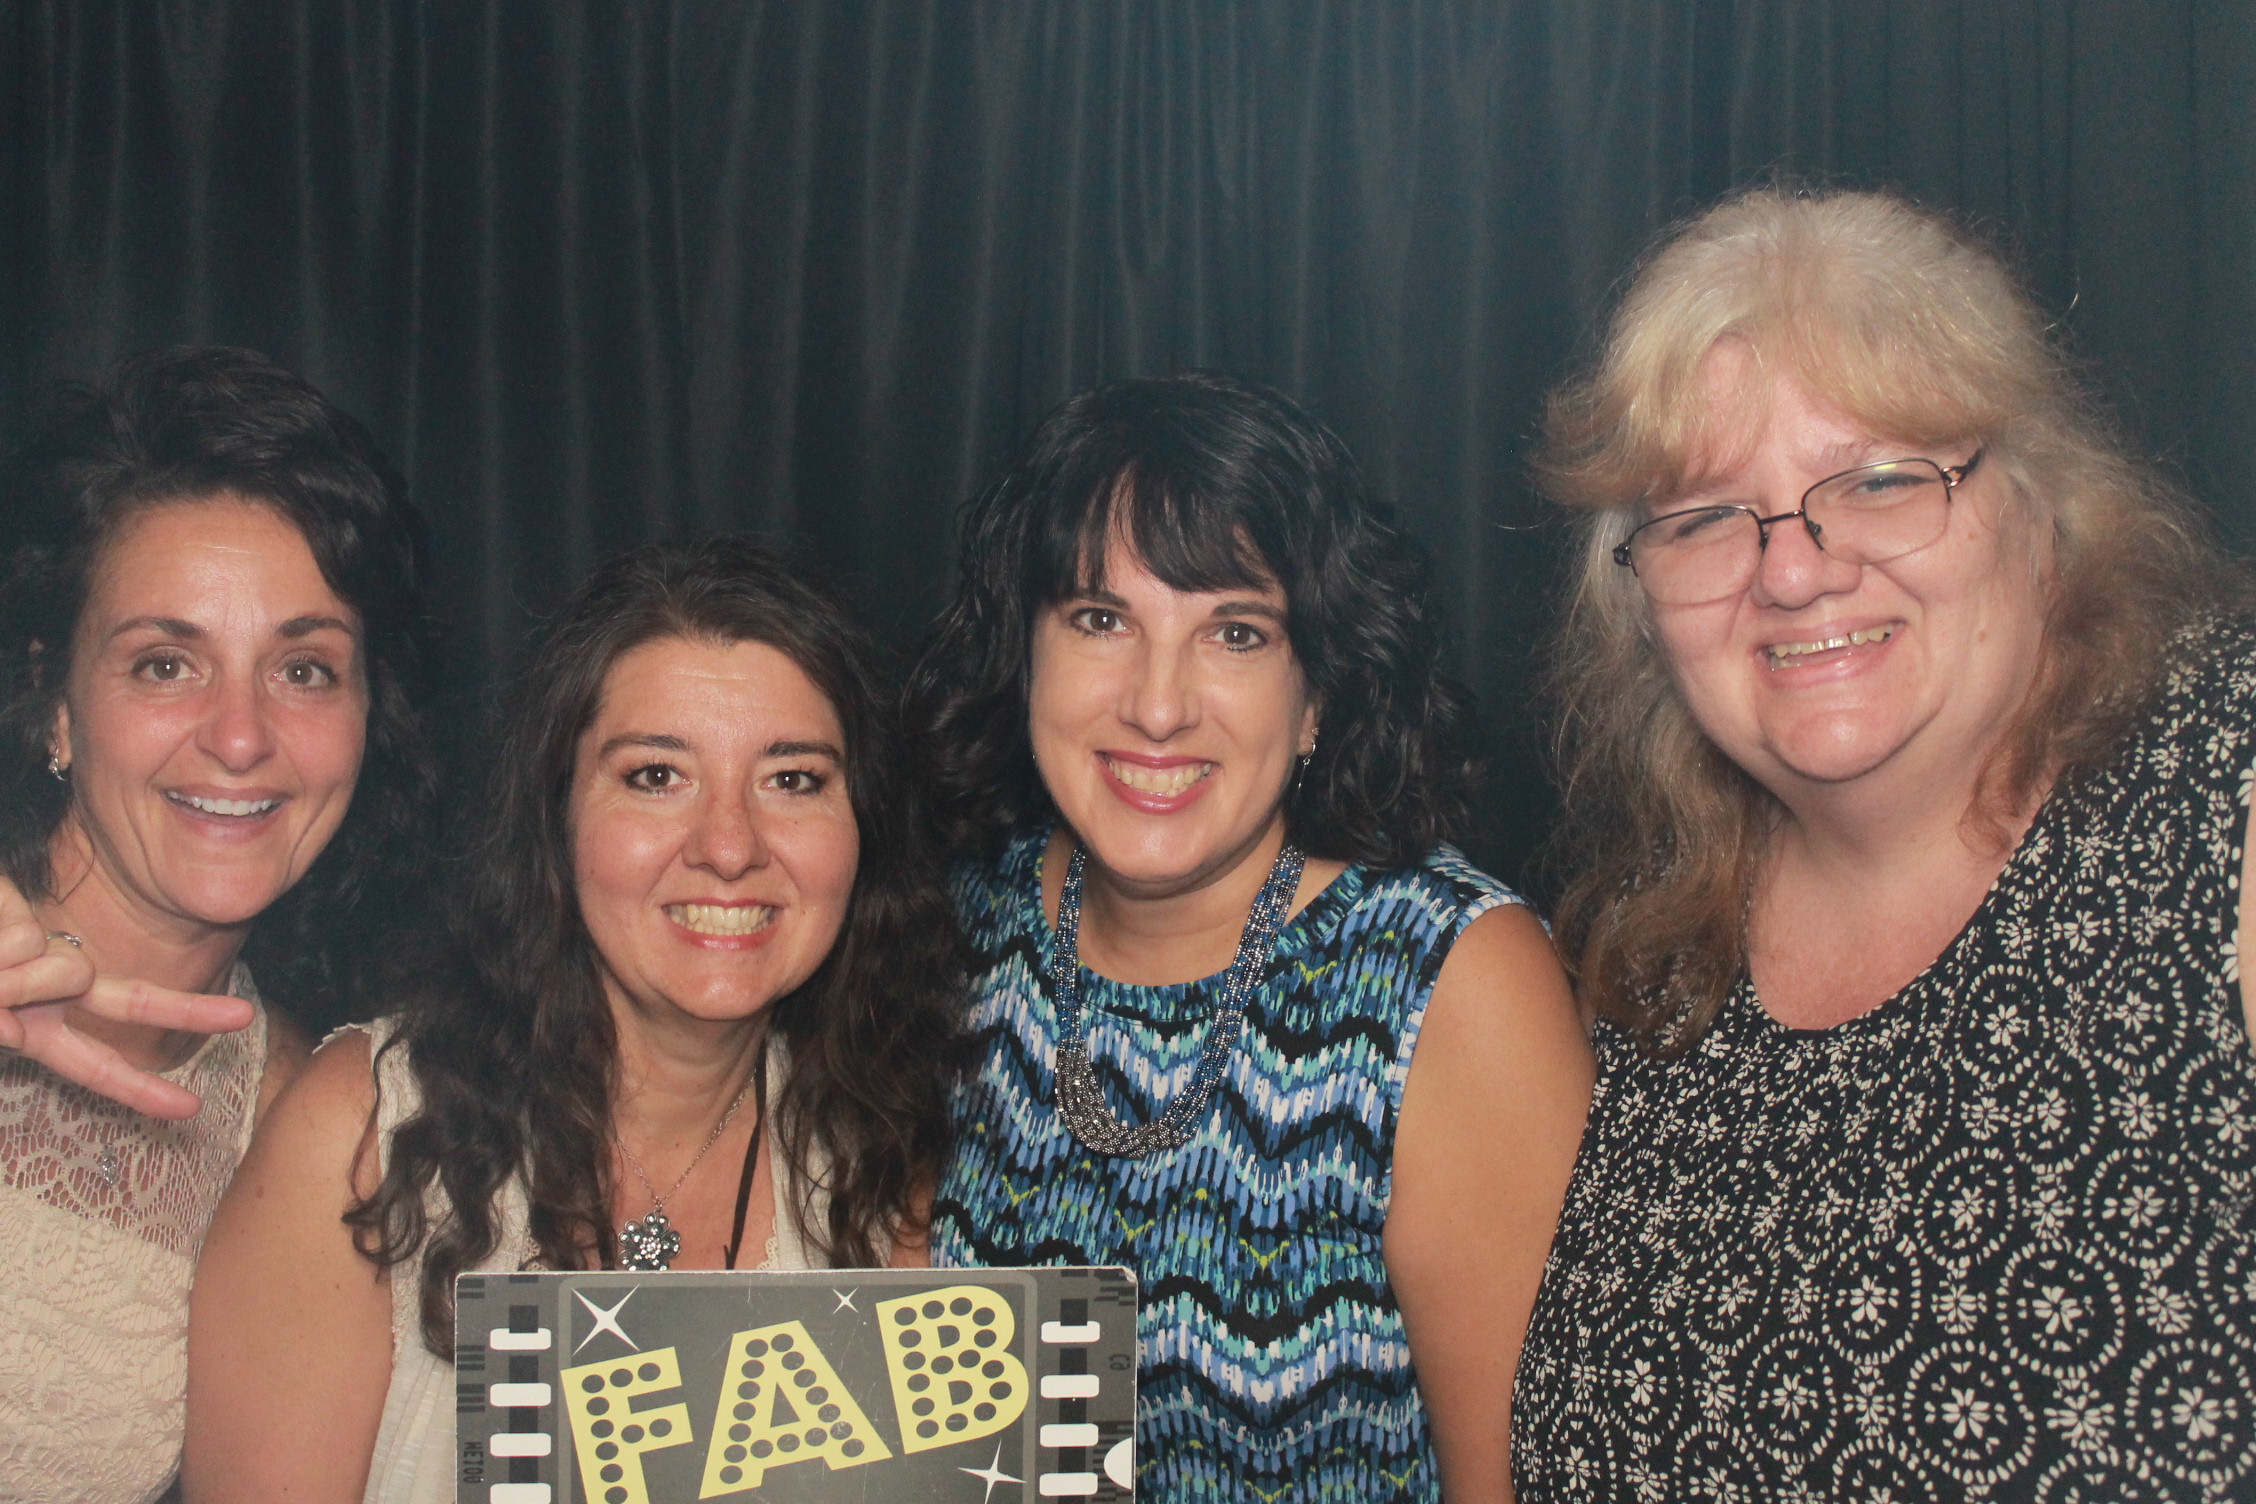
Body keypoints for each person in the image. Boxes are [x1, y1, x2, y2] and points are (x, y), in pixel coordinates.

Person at [1512, 186, 2256, 1500]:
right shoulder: (1650, 946)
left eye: (1877, 480)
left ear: (2042, 502)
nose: (1794, 571)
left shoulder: (2221, 795)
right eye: (1699, 519)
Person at [910, 372, 1593, 1504]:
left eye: (1234, 631)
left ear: (1319, 691)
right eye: (1099, 619)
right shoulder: (956, 925)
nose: (1158, 704)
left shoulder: (1447, 977)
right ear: (1023, 653)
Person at [185, 536, 963, 1502]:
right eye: (654, 776)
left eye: (793, 779)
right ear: (556, 818)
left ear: (862, 831)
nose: (729, 846)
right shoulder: (362, 1130)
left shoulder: (880, 1168)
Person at [0, 346, 436, 1503]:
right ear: (52, 698)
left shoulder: (310, 1114)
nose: (240, 736)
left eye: (302, 668)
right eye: (165, 662)